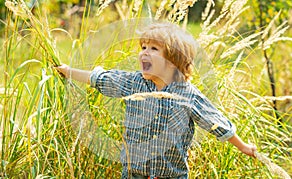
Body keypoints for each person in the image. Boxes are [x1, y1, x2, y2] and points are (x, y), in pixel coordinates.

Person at [55, 22, 257, 179]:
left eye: (153, 48)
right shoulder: (134, 83)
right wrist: (69, 72)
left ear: (173, 60)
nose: (144, 51)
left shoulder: (187, 94)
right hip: (134, 173)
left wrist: (242, 146)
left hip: (172, 175)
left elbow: (215, 122)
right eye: (143, 46)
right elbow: (101, 78)